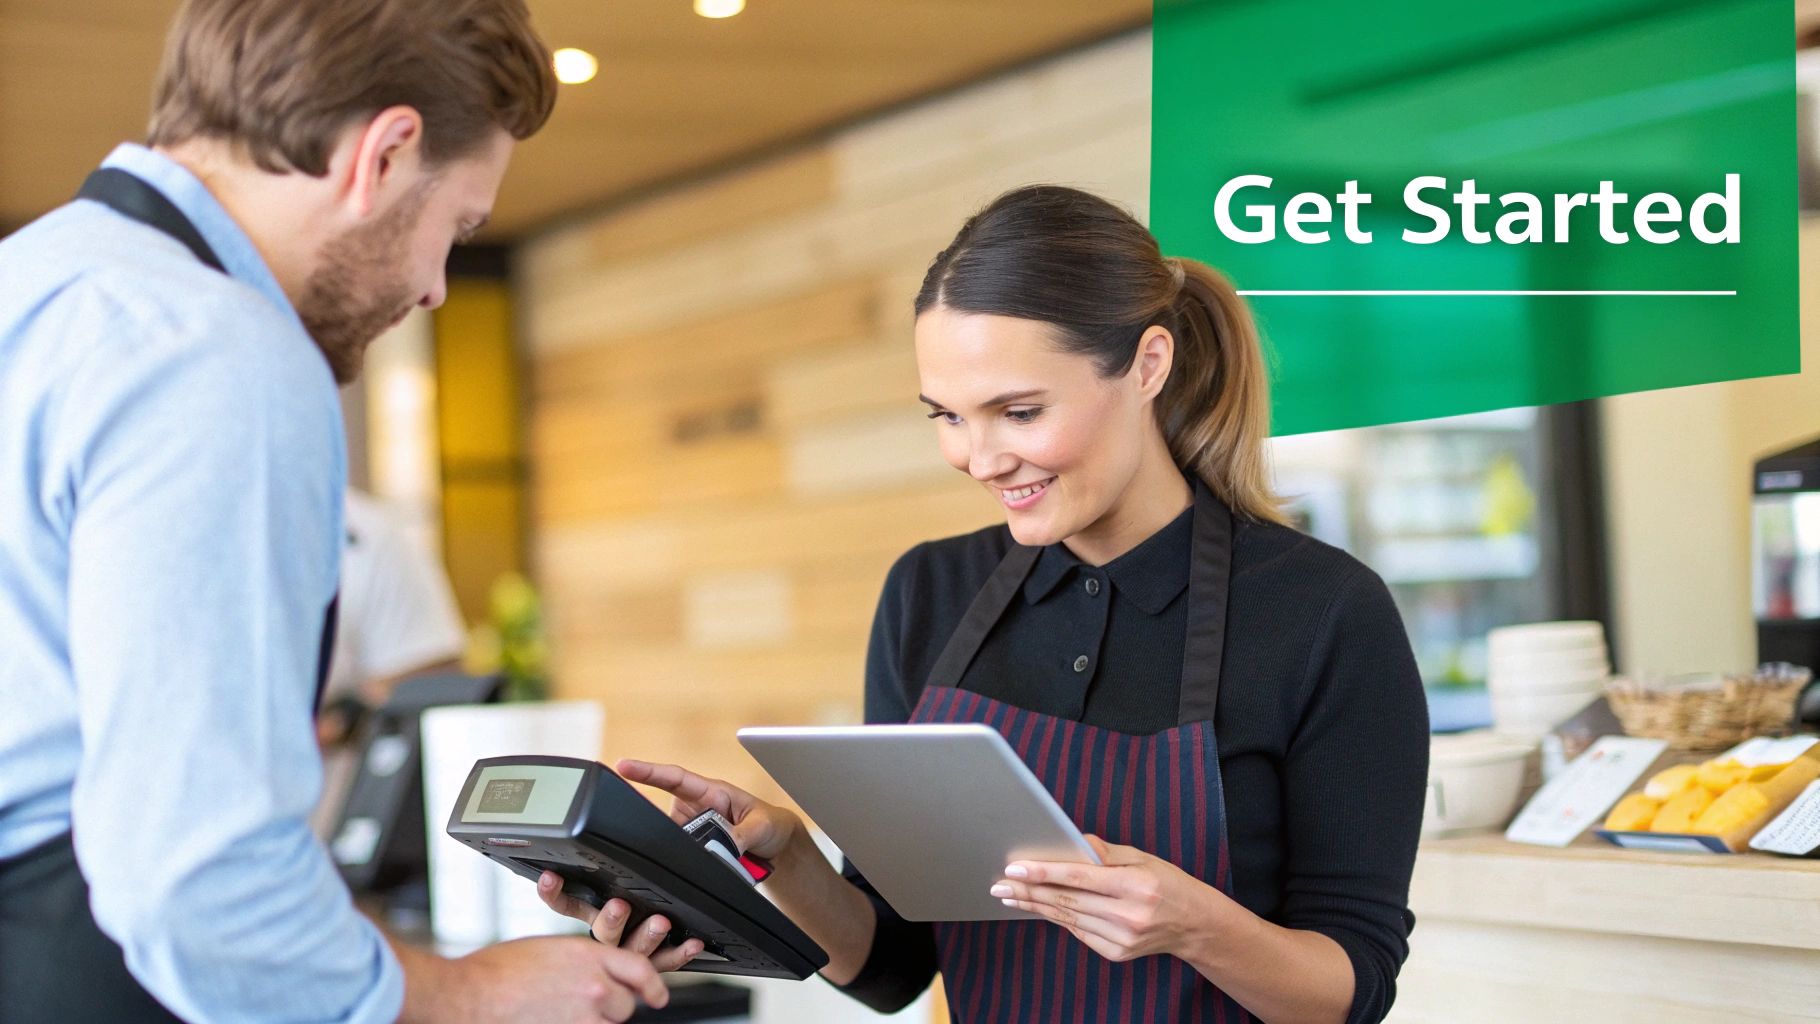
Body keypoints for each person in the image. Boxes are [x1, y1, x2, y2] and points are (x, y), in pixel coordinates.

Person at [540, 185, 1430, 1023]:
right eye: (947, 416)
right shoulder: (929, 594)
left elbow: (1354, 989)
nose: (980, 456)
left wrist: (1194, 926)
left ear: (1148, 364)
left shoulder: (1322, 613)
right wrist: (784, 855)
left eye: (1019, 411)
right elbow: (892, 965)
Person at [0, 1, 689, 1020]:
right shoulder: (220, 354)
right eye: (454, 228)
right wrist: (462, 993)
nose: (435, 287)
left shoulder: (38, 280)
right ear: (384, 153)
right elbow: (198, 878)